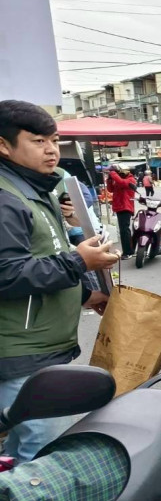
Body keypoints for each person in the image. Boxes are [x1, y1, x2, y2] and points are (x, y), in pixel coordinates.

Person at [0, 100, 118, 461]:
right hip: (22, 350)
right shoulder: (7, 198)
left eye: (54, 140)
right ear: (4, 145)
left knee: (26, 448)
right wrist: (79, 259)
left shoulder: (37, 189)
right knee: (42, 454)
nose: (51, 150)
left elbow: (42, 254)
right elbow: (7, 274)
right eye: (38, 141)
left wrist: (86, 293)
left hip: (42, 343)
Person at [107, 165, 137, 260]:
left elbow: (122, 183)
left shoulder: (131, 179)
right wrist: (109, 179)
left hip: (126, 206)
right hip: (119, 206)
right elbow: (110, 189)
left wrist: (113, 173)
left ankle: (128, 252)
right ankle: (129, 250)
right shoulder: (119, 178)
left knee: (124, 230)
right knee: (123, 230)